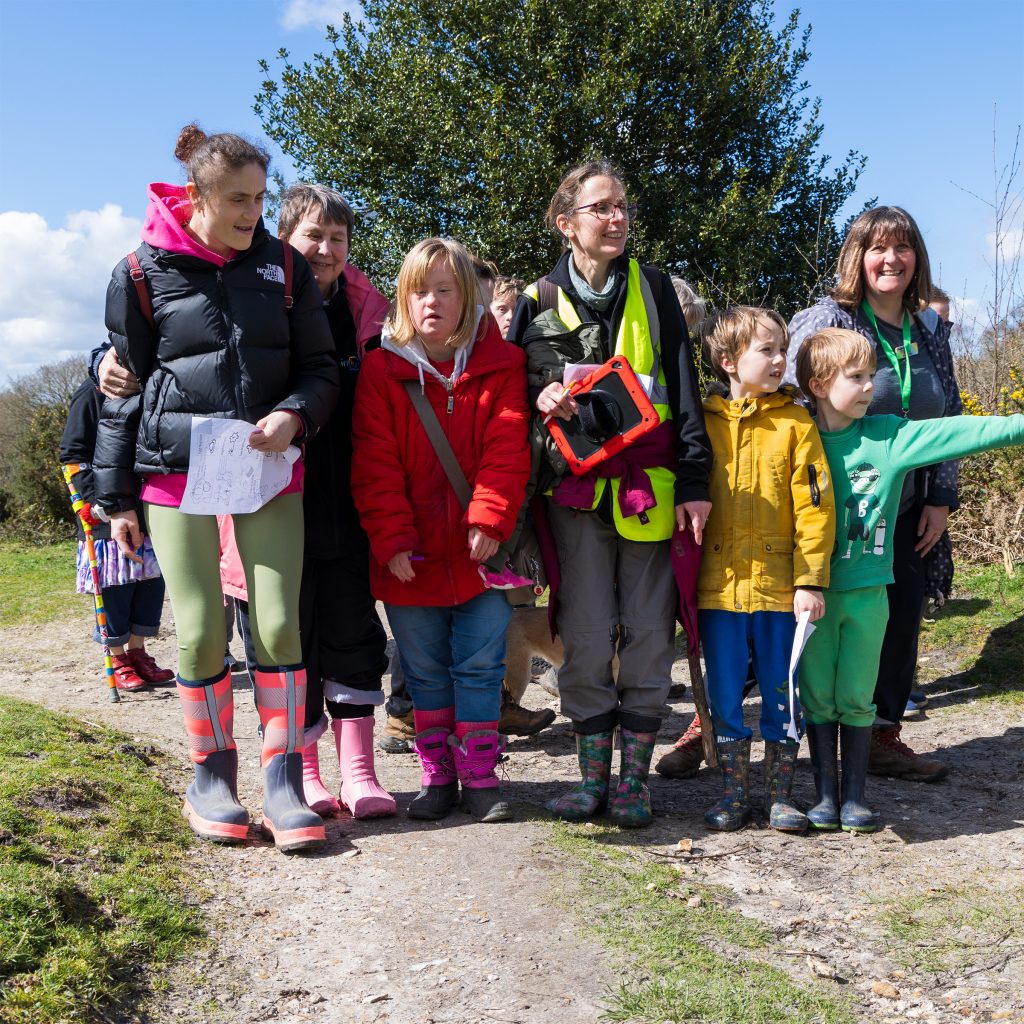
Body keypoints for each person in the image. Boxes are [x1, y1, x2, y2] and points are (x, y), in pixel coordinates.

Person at [93, 124, 338, 854]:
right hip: (173, 469)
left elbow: (321, 370)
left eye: (260, 199)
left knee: (278, 625)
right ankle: (212, 776)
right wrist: (114, 498)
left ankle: (284, 779)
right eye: (237, 199)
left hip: (267, 467)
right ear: (196, 194)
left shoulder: (285, 269)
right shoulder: (138, 271)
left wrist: (294, 416)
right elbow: (119, 387)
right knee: (198, 631)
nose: (251, 215)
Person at [506, 160, 712, 828]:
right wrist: (536, 394)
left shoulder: (655, 290)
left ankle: (634, 784)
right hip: (572, 495)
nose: (617, 218)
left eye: (622, 206)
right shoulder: (535, 299)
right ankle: (590, 781)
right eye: (601, 208)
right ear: (567, 223)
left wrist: (695, 482)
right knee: (586, 633)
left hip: (649, 491)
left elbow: (683, 389)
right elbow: (510, 396)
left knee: (651, 632)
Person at [795, 328, 1024, 830]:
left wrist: (1018, 425)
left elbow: (962, 432)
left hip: (869, 594)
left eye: (870, 374)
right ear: (817, 384)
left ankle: (853, 798)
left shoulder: (888, 435)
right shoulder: (795, 438)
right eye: (856, 377)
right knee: (816, 696)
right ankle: (823, 798)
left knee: (857, 695)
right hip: (809, 599)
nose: (869, 386)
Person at [351, 237, 530, 823]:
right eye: (420, 291)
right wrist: (393, 539)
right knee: (424, 669)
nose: (432, 301)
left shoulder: (502, 366)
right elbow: (374, 462)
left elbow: (506, 450)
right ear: (404, 299)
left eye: (445, 290)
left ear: (467, 300)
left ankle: (480, 775)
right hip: (411, 555)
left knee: (480, 665)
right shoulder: (381, 372)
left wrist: (489, 519)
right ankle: (437, 777)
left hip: (480, 552)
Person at [787, 206, 961, 783]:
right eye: (878, 248)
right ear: (857, 256)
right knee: (794, 616)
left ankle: (882, 735)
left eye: (903, 248)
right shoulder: (824, 320)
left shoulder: (929, 331)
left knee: (897, 616)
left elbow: (948, 415)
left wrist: (939, 495)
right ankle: (720, 727)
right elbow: (783, 404)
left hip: (905, 508)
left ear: (917, 259)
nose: (892, 259)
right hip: (824, 505)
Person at [696, 308, 834, 832]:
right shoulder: (701, 422)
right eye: (768, 350)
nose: (781, 360)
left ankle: (780, 796)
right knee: (724, 693)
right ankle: (733, 795)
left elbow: (815, 507)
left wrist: (810, 579)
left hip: (782, 591)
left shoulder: (796, 423)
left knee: (783, 691)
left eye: (783, 350)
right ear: (729, 361)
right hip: (719, 591)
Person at [60, 378, 174, 692]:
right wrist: (97, 505)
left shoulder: (150, 386)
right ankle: (118, 657)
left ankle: (138, 653)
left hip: (147, 504)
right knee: (116, 590)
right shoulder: (91, 392)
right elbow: (73, 455)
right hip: (106, 511)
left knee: (149, 585)